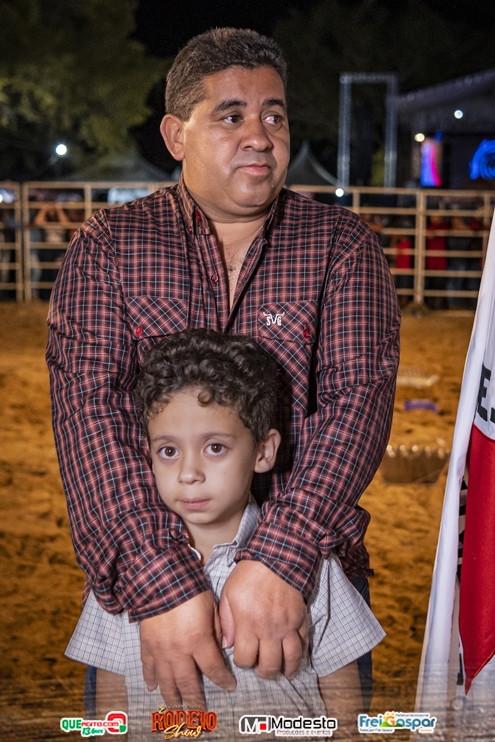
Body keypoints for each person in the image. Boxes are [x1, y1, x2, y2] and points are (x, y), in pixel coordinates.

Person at [46, 27, 400, 714]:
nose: (260, 136)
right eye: (231, 116)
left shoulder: (341, 245)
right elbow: (89, 413)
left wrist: (280, 559)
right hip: (147, 577)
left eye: (274, 115)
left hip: (309, 582)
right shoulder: (109, 248)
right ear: (176, 135)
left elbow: (358, 403)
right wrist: (159, 582)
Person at [65, 329, 385, 740]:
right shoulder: (122, 575)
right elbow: (110, 718)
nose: (189, 473)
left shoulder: (316, 569)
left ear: (264, 451)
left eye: (215, 447)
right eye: (168, 450)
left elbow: (346, 718)